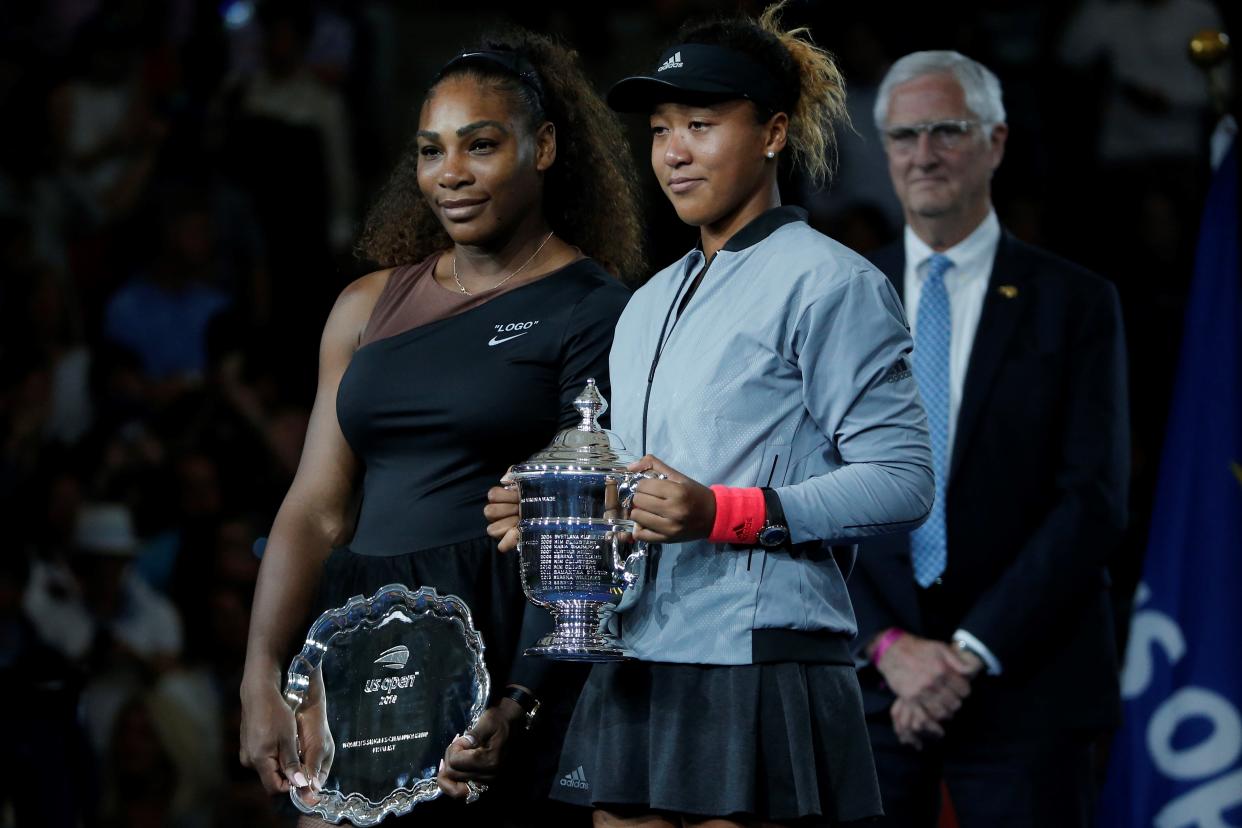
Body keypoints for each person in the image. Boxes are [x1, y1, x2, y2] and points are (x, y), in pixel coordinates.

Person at [479, 5, 934, 826]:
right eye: (659, 130)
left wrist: (722, 512)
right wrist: (558, 506)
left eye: (700, 123)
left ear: (772, 134)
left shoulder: (833, 282)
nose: (674, 152)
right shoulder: (648, 302)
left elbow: (902, 483)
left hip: (758, 660)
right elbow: (639, 485)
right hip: (639, 652)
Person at [237, 27, 642, 827]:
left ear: (545, 147)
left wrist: (524, 698)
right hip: (355, 632)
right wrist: (260, 671)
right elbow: (316, 508)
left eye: (480, 145)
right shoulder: (365, 305)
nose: (450, 173)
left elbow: (582, 527)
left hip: (492, 635)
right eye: (431, 151)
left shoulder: (591, 307)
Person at [848, 50, 1129, 827]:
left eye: (947, 131)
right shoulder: (838, 298)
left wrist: (968, 652)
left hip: (1030, 681)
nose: (924, 155)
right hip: (870, 686)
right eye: (904, 136)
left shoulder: (1076, 302)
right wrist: (888, 647)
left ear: (996, 142)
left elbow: (1093, 501)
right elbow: (808, 493)